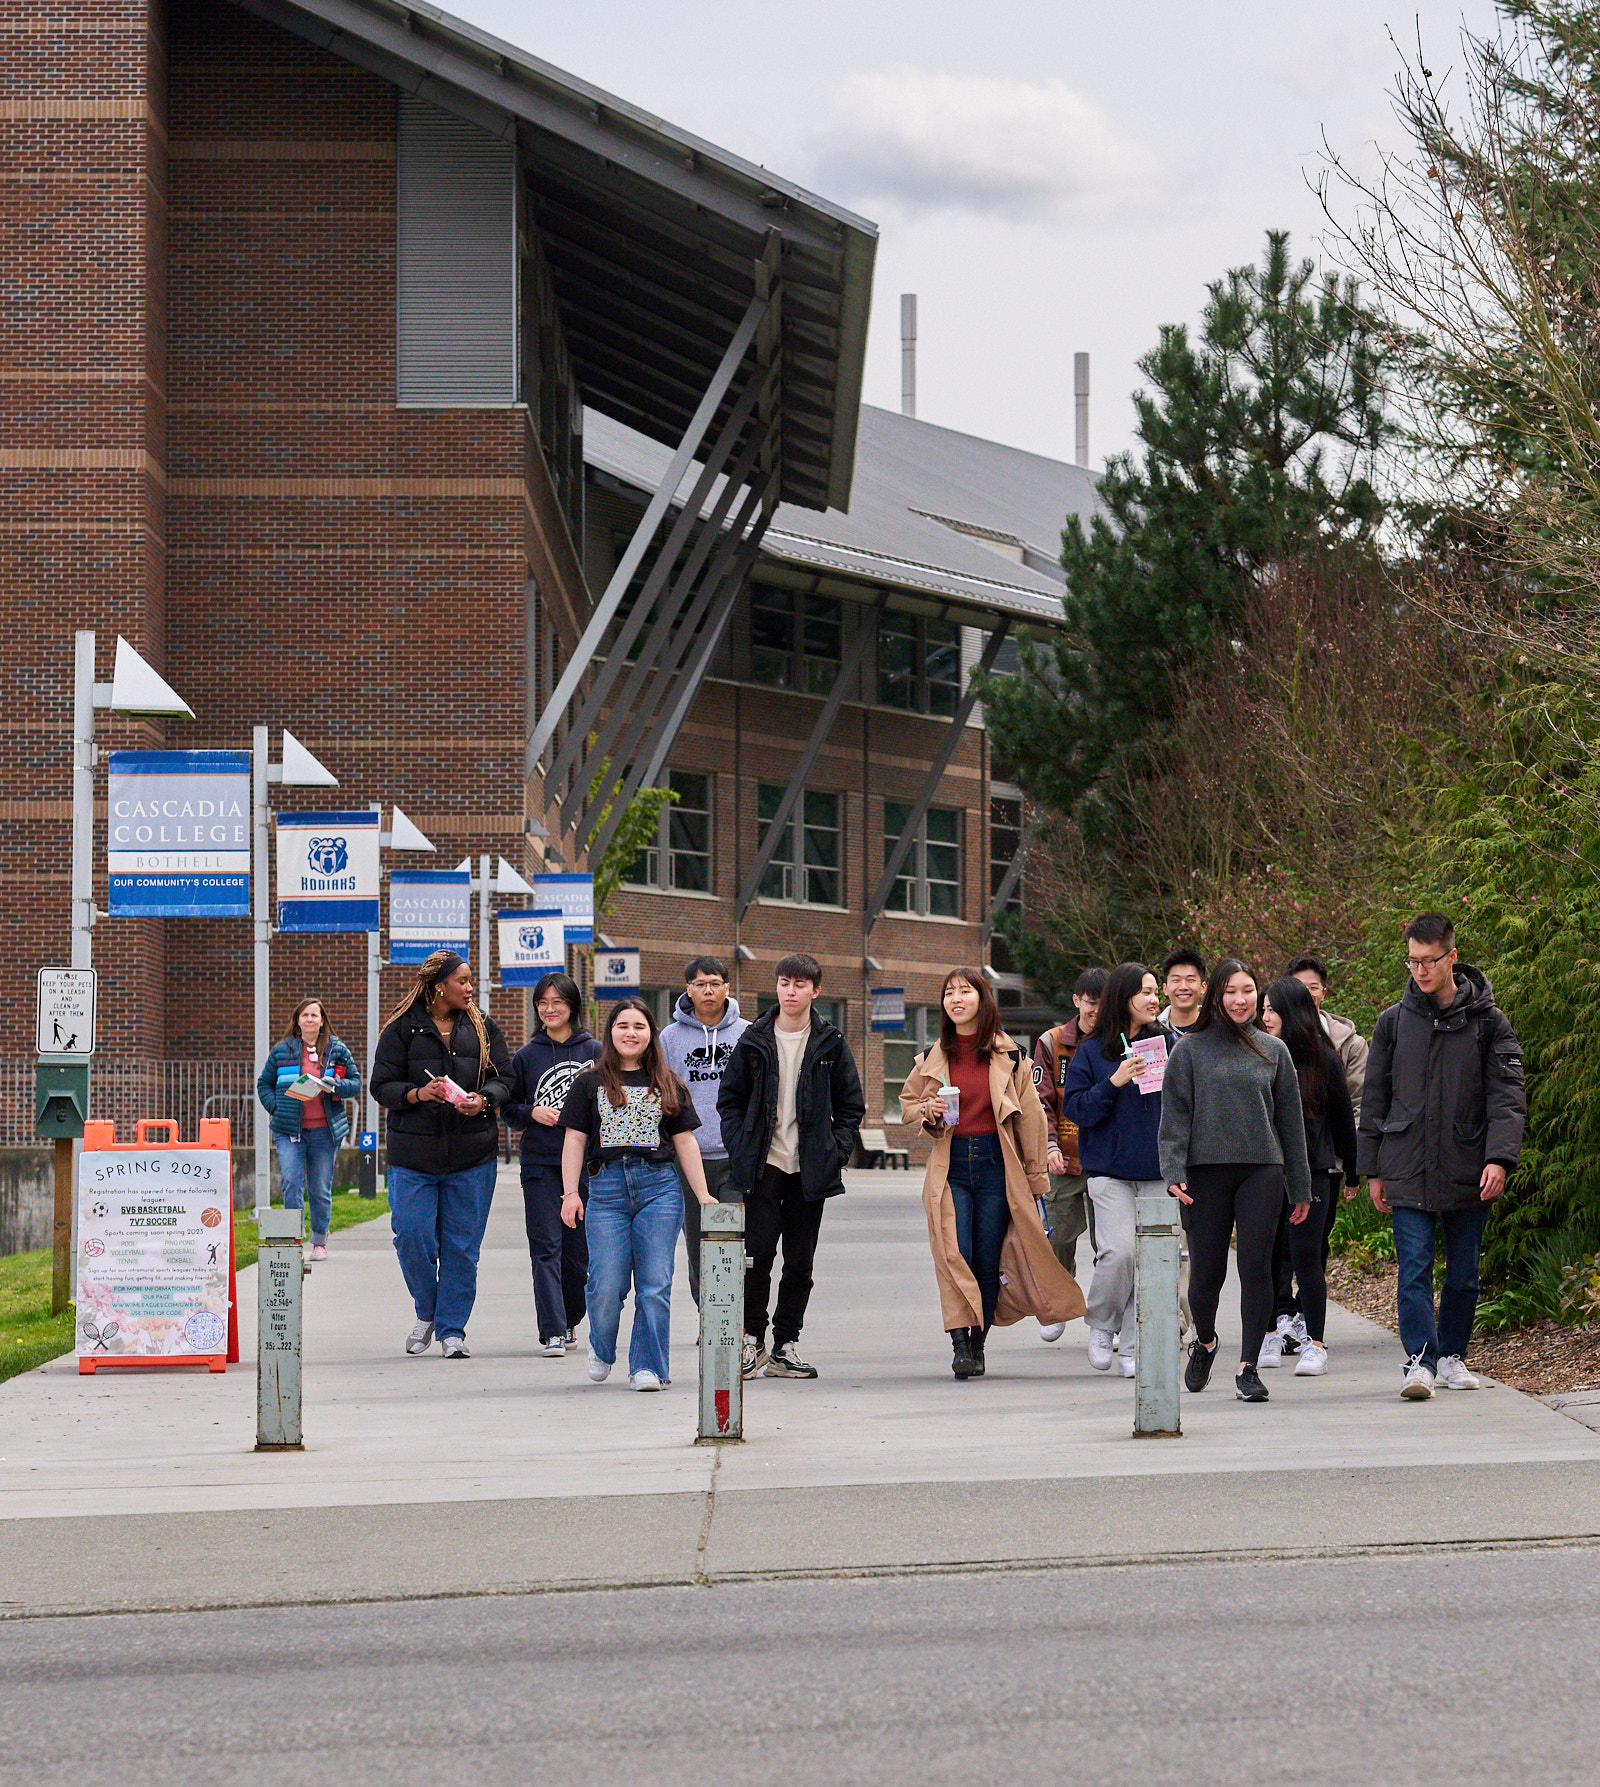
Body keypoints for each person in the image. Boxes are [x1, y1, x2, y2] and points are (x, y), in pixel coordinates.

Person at [1358, 914, 1525, 1400]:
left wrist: (1500, 1158)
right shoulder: (1392, 1022)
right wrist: (1372, 1169)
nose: (1420, 970)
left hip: (1469, 1163)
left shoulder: (1488, 1021)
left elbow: (1507, 1095)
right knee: (1412, 1266)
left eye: (1429, 960)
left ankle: (1452, 1355)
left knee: (1464, 1270)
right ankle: (1419, 1362)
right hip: (1406, 1160)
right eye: (1412, 961)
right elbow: (1375, 1097)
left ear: (1452, 956)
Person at [898, 968, 1085, 1380]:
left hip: (998, 1167)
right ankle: (958, 1342)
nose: (956, 998)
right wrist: (925, 1112)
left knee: (986, 1260)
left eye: (965, 991)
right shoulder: (933, 1056)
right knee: (954, 1252)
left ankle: (977, 1344)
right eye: (949, 993)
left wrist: (1037, 1181)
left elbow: (1032, 1122)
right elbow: (908, 1103)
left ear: (983, 999)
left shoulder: (1011, 1055)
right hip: (952, 1166)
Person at [1159, 958, 1312, 1403]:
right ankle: (1205, 1340)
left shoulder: (1274, 1050)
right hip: (1205, 1173)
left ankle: (1248, 1367)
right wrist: (1173, 1171)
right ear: (1216, 997)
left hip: (1262, 1170)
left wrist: (1299, 1187)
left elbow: (1291, 1124)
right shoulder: (1189, 1049)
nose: (1240, 999)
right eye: (1231, 991)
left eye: (1248, 991)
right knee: (1206, 1273)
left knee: (1256, 1266)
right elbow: (1174, 1118)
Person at [717, 952, 865, 1381]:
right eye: (784, 983)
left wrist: (835, 1151)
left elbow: (850, 1104)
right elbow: (729, 1100)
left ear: (815, 991)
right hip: (763, 1163)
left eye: (800, 985)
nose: (791, 991)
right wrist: (741, 1143)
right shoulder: (753, 1038)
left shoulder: (830, 1042)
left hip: (809, 1167)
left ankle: (785, 1345)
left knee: (800, 1261)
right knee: (756, 1255)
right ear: (776, 986)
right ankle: (752, 1342)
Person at [558, 998, 713, 1391]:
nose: (631, 1033)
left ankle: (646, 1366)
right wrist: (570, 1193)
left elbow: (686, 1143)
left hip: (659, 1189)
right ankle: (602, 1346)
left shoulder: (668, 1083)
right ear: (610, 1033)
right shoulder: (589, 1083)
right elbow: (574, 1141)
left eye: (639, 1026)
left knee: (655, 1283)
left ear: (650, 1035)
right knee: (606, 1284)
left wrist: (703, 1195)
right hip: (606, 1190)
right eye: (623, 1025)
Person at [371, 951, 512, 1359]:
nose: (470, 988)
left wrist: (483, 1100)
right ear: (439, 987)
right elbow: (381, 1086)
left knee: (462, 1247)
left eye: (471, 981)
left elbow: (507, 1079)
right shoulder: (401, 1029)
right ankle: (427, 1309)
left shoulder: (483, 1028)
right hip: (412, 1155)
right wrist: (418, 1093)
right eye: (463, 981)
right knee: (412, 1238)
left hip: (472, 1156)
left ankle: (453, 1330)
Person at [1061, 962, 1172, 1379]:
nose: (1153, 998)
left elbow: (1180, 1107)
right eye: (1145, 991)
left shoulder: (1167, 1044)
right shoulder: (1090, 1052)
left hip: (1159, 1172)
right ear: (1124, 996)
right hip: (1109, 1173)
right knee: (1119, 1252)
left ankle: (1131, 1345)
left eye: (1154, 991)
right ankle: (1101, 1324)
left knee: (1150, 1261)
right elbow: (1077, 1110)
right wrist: (1115, 1081)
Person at [1258, 977, 1359, 1377]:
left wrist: (1352, 1173)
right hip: (1265, 1170)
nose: (1265, 1017)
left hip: (1313, 1170)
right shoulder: (1259, 1053)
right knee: (1265, 1255)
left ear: (1292, 1013)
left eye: (1272, 1009)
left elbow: (1342, 1121)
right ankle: (1266, 1334)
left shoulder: (1323, 1058)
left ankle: (1315, 1343)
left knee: (1307, 1255)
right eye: (1262, 1009)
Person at [505, 972, 600, 1357]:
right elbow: (508, 1109)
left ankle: (571, 1317)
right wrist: (533, 1113)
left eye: (557, 1002)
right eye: (542, 1003)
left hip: (585, 1165)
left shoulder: (595, 1051)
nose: (549, 1009)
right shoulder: (526, 1057)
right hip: (540, 1164)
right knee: (545, 1246)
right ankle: (552, 1330)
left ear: (572, 1006)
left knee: (579, 1254)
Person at [659, 954, 749, 1303]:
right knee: (698, 1242)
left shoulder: (746, 1033)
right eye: (700, 984)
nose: (708, 991)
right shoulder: (669, 1037)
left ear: (727, 987)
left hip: (734, 1155)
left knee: (730, 1239)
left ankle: (733, 1316)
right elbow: (661, 1093)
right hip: (688, 1157)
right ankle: (706, 1314)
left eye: (715, 984)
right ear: (688, 989)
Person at [256, 997, 360, 1262]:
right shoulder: (282, 1050)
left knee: (320, 1188)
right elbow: (264, 1084)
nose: (310, 1020)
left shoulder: (336, 1049)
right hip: (289, 1128)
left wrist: (335, 1084)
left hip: (325, 1131)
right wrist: (275, 1107)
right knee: (291, 1182)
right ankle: (294, 1239)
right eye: (305, 1015)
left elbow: (355, 1083)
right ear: (298, 1020)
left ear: (322, 1020)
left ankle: (320, 1241)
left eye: (315, 1015)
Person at [1031, 967, 1108, 1318]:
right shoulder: (1052, 1042)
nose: (1096, 1011)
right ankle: (1060, 1303)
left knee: (1109, 1245)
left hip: (1107, 1159)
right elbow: (1039, 1100)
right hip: (1063, 1156)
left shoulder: (1120, 1041)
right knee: (1059, 1238)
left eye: (1104, 1003)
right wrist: (1048, 1145)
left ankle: (1109, 1315)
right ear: (1077, 1001)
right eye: (1091, 1002)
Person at [1286, 954, 1370, 1120]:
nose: (1306, 994)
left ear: (1324, 993)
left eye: (1313, 987)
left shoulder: (1351, 1045)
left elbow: (1361, 1103)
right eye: (1299, 987)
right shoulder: (1272, 1041)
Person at [1159, 948, 1207, 1034]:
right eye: (1176, 980)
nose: (1183, 987)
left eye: (1190, 980)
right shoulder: (1152, 1032)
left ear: (1203, 987)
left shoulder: (1217, 1028)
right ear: (1165, 989)